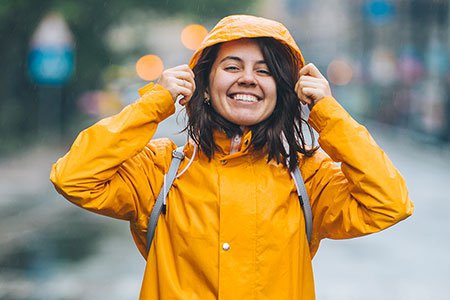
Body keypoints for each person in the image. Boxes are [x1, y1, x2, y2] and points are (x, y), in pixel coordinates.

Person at [50, 14, 413, 299]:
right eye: (233, 67)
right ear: (204, 86)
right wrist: (155, 104)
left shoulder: (307, 177)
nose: (248, 79)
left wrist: (328, 113)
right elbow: (74, 178)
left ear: (282, 92)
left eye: (265, 70)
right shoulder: (162, 169)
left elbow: (389, 203)